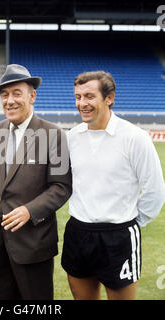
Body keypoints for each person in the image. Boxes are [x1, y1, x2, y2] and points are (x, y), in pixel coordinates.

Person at [61, 70, 165, 300]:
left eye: (89, 96)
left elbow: (155, 191)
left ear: (109, 98)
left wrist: (130, 224)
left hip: (118, 236)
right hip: (78, 233)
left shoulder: (134, 138)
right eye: (78, 97)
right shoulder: (71, 137)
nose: (82, 103)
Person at [0, 64, 72, 300]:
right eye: (4, 95)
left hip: (33, 240)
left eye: (16, 93)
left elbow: (62, 187)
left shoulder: (53, 134)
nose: (9, 101)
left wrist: (29, 211)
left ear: (32, 96)